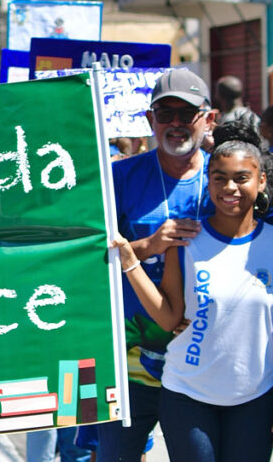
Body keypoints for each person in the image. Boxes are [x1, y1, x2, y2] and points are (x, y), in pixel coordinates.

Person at [113, 139, 273, 460]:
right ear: (208, 183)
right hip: (187, 397)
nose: (230, 188)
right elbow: (169, 318)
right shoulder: (186, 241)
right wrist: (129, 261)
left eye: (241, 178)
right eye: (219, 178)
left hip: (254, 399)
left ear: (261, 181)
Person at [99, 69, 218, 461]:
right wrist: (148, 245)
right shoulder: (119, 177)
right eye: (166, 113)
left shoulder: (227, 180)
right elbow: (87, 261)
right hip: (129, 365)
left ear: (209, 119)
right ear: (150, 119)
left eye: (188, 114)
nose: (176, 123)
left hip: (203, 363)